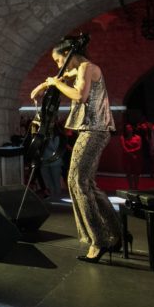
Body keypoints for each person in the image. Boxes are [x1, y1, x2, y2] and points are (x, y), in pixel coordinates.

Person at [31, 36, 121, 263]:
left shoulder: (86, 68)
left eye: (58, 59)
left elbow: (80, 96)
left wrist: (55, 84)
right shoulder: (81, 69)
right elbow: (62, 76)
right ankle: (114, 234)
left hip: (93, 130)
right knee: (86, 183)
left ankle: (99, 240)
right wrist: (44, 85)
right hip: (93, 130)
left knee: (76, 181)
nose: (58, 65)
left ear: (67, 53)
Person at [120, 123, 143, 190]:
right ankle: (130, 187)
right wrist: (131, 154)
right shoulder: (123, 137)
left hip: (136, 157)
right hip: (127, 157)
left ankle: (136, 187)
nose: (128, 129)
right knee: (128, 173)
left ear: (132, 128)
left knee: (136, 173)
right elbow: (123, 147)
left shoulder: (138, 137)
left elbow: (139, 147)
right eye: (127, 128)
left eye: (130, 127)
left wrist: (131, 152)